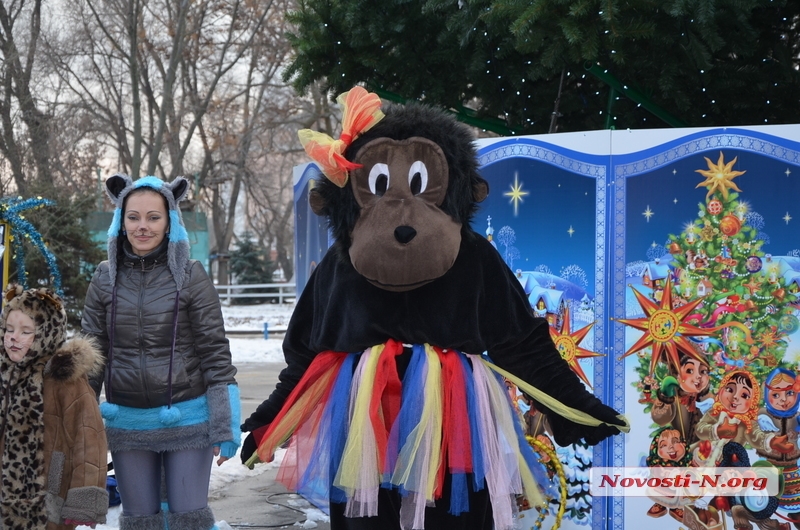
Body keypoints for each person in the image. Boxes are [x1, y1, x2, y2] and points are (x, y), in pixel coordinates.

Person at [81, 174, 240, 530]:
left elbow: (215, 350)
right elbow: (91, 356)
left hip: (186, 416)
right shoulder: (104, 279)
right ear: (120, 221)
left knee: (188, 517)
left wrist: (224, 422)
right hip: (127, 420)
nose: (143, 226)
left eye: (154, 217)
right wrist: (81, 419)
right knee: (139, 519)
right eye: (133, 217)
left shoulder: (191, 275)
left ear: (170, 221)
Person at [0, 284, 109, 529]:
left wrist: (83, 502)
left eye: (26, 331)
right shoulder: (4, 374)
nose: (13, 337)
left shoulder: (65, 382)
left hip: (50, 498)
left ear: (47, 334)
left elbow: (89, 442)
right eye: (8, 329)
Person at [756, 368, 800, 529]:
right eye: (776, 395)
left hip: (793, 469)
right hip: (770, 468)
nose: (783, 400)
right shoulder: (762, 416)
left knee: (794, 500)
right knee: (766, 501)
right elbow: (753, 434)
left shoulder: (796, 417)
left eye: (789, 393)